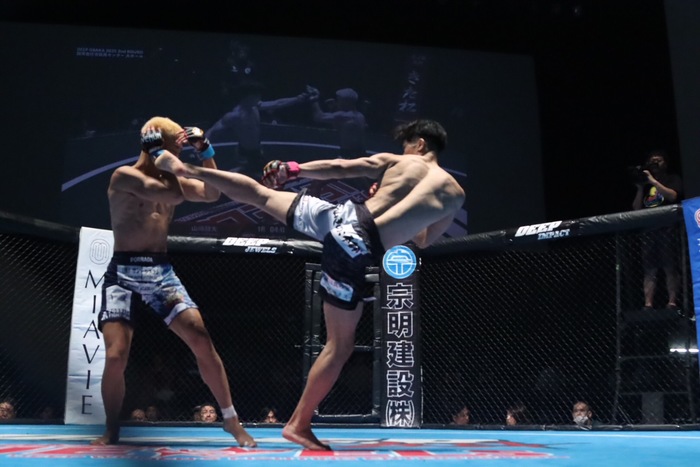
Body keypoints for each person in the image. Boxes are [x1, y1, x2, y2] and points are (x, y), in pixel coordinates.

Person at [154, 119, 466, 450]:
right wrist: (409, 215)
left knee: (261, 194)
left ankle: (187, 169)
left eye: (406, 145)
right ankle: (298, 425)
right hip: (355, 243)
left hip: (341, 216)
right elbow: (423, 239)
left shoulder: (400, 163)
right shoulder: (455, 194)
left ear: (419, 144)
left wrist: (294, 169)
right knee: (339, 346)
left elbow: (342, 167)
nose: (405, 151)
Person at [92, 116, 255, 447]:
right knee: (115, 355)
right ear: (155, 147)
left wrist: (205, 150)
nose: (178, 156)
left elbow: (211, 193)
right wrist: (162, 157)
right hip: (123, 273)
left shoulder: (172, 178)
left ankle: (230, 419)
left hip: (160, 272)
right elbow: (171, 195)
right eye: (174, 149)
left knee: (200, 339)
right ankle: (112, 427)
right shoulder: (124, 176)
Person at [631, 149, 684, 311]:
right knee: (649, 269)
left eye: (658, 160)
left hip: (667, 228)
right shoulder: (646, 184)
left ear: (665, 164)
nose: (655, 163)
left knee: (670, 266)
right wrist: (640, 188)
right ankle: (648, 304)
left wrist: (653, 181)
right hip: (648, 230)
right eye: (652, 160)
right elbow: (636, 209)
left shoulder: (672, 179)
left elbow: (672, 196)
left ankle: (672, 302)